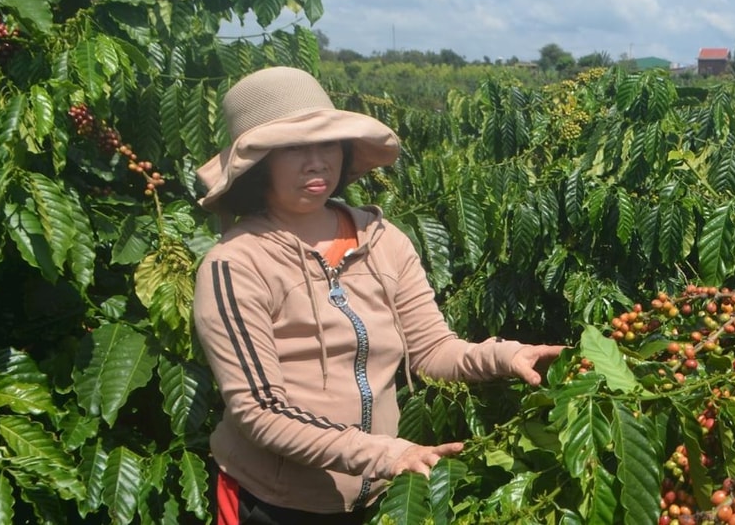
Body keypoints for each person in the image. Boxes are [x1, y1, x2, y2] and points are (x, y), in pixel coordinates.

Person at [192, 66, 564, 524]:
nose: (316, 161)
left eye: (326, 143)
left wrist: (508, 357)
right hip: (276, 503)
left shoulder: (383, 239)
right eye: (292, 148)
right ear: (257, 164)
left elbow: (431, 350)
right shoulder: (236, 264)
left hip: (382, 497)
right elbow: (259, 410)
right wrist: (381, 453)